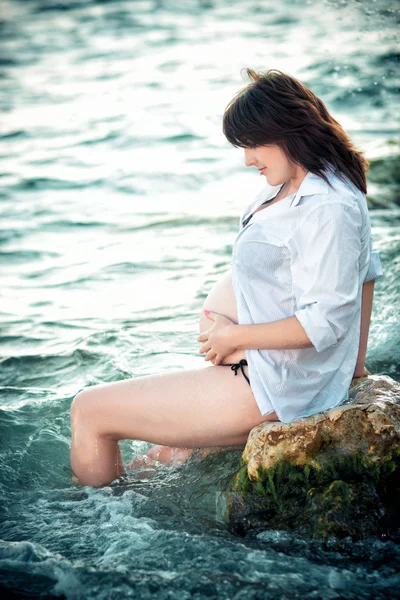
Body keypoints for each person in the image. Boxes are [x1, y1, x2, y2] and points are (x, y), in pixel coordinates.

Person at [70, 68, 383, 487]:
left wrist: (234, 338)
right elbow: (366, 271)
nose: (248, 158)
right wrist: (355, 366)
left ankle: (88, 538)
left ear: (287, 130)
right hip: (264, 369)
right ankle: (118, 512)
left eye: (253, 144)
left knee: (90, 410)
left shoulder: (327, 205)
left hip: (273, 384)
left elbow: (324, 322)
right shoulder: (306, 179)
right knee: (157, 461)